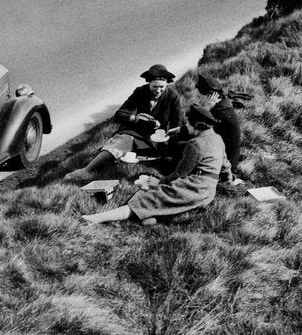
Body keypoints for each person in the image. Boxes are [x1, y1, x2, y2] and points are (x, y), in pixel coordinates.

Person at [81, 105, 230, 226]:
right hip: (209, 191)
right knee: (162, 199)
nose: (186, 126)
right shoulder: (218, 138)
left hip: (194, 189)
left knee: (150, 196)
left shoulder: (195, 144)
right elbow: (225, 165)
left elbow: (180, 174)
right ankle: (152, 218)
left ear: (197, 125)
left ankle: (97, 218)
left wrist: (159, 182)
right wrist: (230, 178)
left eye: (188, 123)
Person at [65, 64, 183, 181]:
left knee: (168, 156)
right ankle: (86, 170)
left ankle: (118, 156)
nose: (158, 91)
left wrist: (167, 136)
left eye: (161, 87)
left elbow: (177, 124)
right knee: (122, 141)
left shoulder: (173, 96)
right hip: (135, 132)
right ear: (149, 83)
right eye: (154, 87)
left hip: (156, 138)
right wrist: (135, 118)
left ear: (167, 83)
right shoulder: (140, 92)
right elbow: (119, 114)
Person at [194, 73, 242, 174]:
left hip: (224, 165)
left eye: (199, 97)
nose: (197, 100)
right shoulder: (221, 106)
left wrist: (206, 110)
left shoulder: (219, 113)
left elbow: (199, 133)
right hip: (223, 157)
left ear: (211, 96)